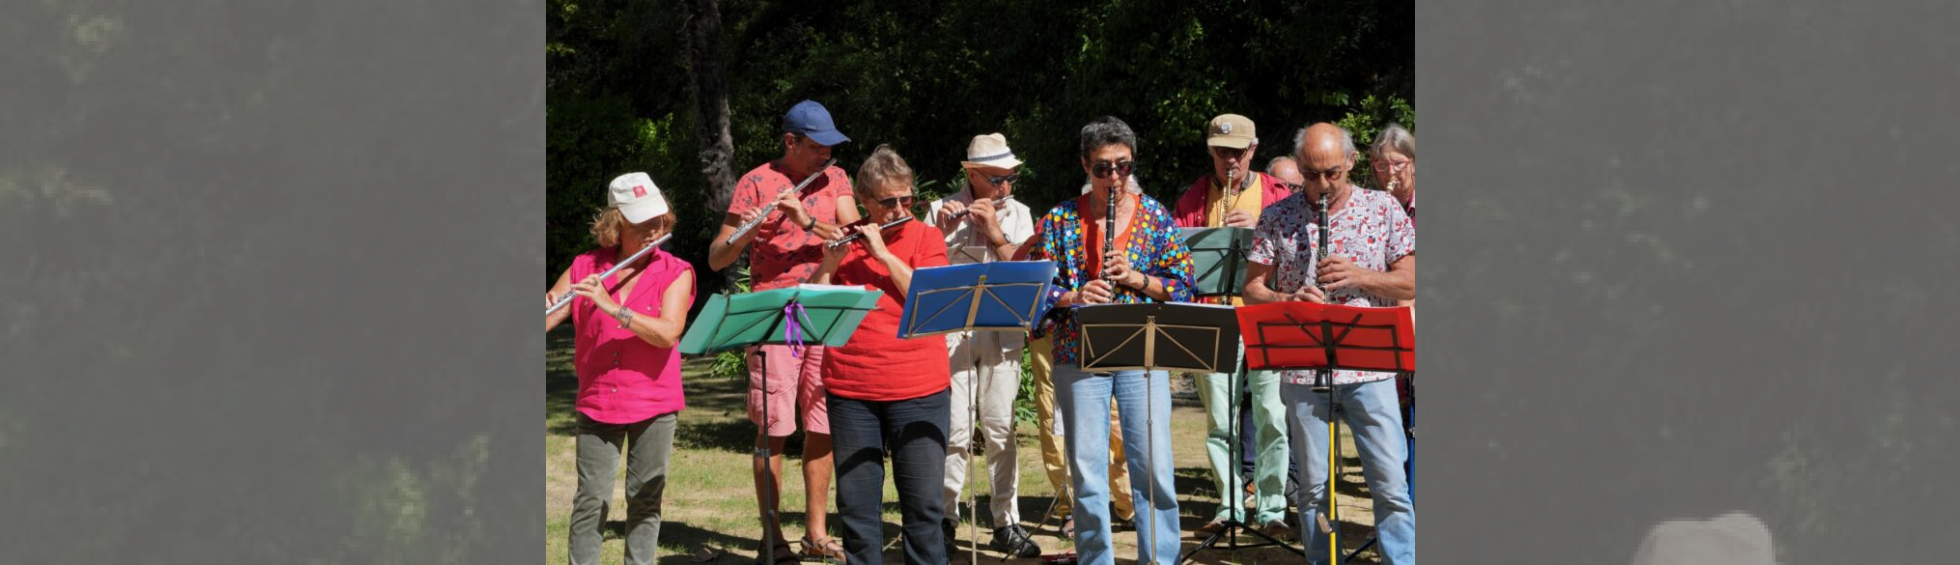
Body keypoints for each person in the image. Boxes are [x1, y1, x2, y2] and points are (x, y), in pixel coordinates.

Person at [1243, 123, 1414, 565]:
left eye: (1332, 174)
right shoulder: (1277, 216)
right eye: (1311, 175)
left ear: (1352, 162)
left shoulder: (1384, 209)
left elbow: (1413, 281)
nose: (1321, 186)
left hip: (1369, 370)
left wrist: (1360, 275)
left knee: (1390, 485)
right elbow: (1252, 290)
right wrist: (1288, 298)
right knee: (1315, 490)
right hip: (1303, 369)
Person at [1027, 116, 1195, 565]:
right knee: (1088, 471)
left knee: (1154, 468)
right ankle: (1095, 559)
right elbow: (1036, 290)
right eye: (1103, 168)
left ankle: (1158, 559)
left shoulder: (1154, 214)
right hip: (1077, 352)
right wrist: (1073, 295)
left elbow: (1184, 284)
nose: (1114, 177)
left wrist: (1138, 278)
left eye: (1123, 166)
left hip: (1143, 353)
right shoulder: (1060, 218)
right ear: (1085, 165)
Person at [706, 99, 859, 563]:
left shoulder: (836, 178)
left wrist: (805, 220)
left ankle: (815, 533)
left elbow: (854, 237)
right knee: (773, 427)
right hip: (775, 314)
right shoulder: (756, 182)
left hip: (825, 306)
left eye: (830, 146)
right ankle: (772, 535)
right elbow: (717, 257)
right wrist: (749, 230)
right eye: (816, 147)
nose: (826, 155)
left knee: (823, 423)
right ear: (790, 142)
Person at [810, 144, 953, 565]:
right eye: (887, 202)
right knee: (855, 510)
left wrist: (884, 255)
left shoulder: (928, 237)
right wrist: (829, 264)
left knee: (924, 510)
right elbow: (813, 310)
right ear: (864, 203)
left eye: (906, 199)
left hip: (919, 387)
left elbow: (927, 300)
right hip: (852, 389)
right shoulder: (844, 242)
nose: (898, 208)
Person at [546, 173, 695, 565]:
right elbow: (550, 313)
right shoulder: (585, 267)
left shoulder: (676, 271)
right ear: (616, 225)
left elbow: (667, 334)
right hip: (597, 401)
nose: (654, 230)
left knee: (645, 498)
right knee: (591, 499)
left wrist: (612, 308)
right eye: (643, 223)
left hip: (654, 402)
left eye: (659, 221)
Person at [1170, 114, 1294, 539]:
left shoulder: (1279, 194)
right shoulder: (1193, 199)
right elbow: (1177, 261)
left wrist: (1258, 230)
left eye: (1237, 153)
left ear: (1253, 151)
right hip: (1215, 317)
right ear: (1211, 151)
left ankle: (1273, 506)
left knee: (1273, 415)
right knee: (1219, 421)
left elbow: (1297, 254)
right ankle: (1229, 505)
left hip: (1265, 316)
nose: (1229, 161)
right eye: (1221, 152)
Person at [927, 133, 1042, 558]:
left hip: (1002, 331)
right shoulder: (939, 210)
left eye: (1011, 177)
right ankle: (945, 519)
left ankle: (1005, 522)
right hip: (953, 332)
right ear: (970, 174)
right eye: (995, 179)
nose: (1005, 187)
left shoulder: (1021, 213)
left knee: (1001, 428)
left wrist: (994, 231)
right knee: (955, 430)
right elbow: (922, 271)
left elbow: (1031, 276)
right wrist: (942, 233)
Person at [1368, 122, 1417, 494]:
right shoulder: (1373, 209)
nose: (1390, 173)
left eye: (1397, 164)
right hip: (1386, 322)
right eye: (1382, 166)